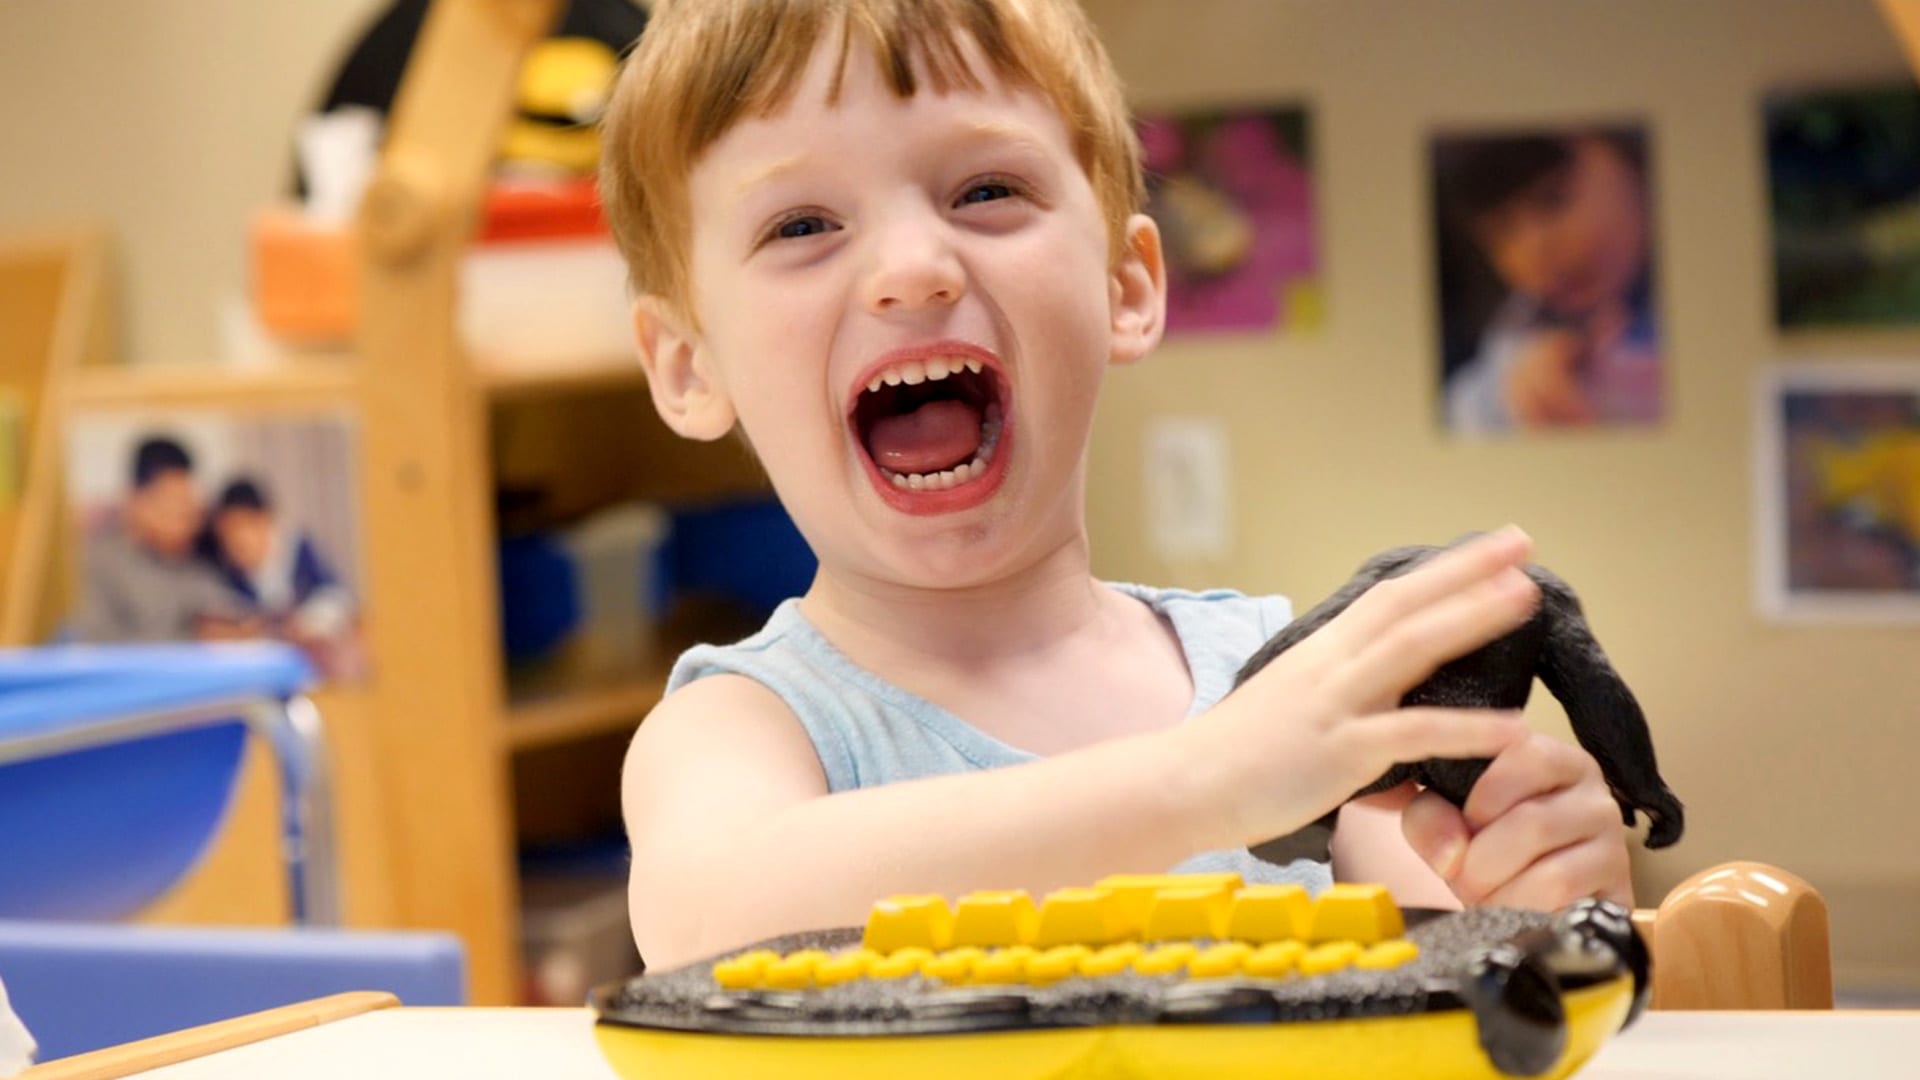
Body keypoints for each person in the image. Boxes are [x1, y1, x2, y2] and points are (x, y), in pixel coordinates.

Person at [602, 0, 1632, 971]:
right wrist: (1203, 782)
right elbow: (711, 917)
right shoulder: (745, 728)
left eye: (985, 192)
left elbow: (1463, 986)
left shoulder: (1277, 687)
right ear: (691, 366)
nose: (913, 267)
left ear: (1126, 288)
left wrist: (1534, 903)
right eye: (800, 225)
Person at [1438, 132, 1662, 433]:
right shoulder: (1526, 325)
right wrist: (1514, 394)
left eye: (1552, 200)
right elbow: (1457, 416)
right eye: (1500, 233)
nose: (1534, 252)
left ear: (1634, 162)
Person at [71, 436, 248, 643]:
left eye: (189, 509)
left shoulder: (194, 562)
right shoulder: (99, 562)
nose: (187, 522)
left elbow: (224, 607)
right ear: (136, 501)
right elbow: (97, 646)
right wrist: (194, 641)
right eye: (173, 507)